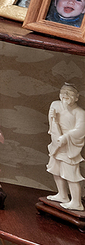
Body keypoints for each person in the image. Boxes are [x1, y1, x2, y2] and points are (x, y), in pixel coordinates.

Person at [45, 82, 85, 210]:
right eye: (63, 93)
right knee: (55, 170)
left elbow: (81, 130)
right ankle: (62, 195)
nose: (65, 96)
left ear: (76, 98)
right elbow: (52, 122)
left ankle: (76, 202)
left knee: (71, 175)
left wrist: (66, 137)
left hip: (69, 146)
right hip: (57, 143)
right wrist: (54, 121)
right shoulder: (55, 105)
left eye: (69, 94)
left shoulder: (79, 112)